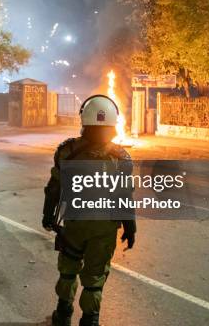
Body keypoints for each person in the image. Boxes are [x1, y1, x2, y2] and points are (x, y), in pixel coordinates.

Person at [42, 95, 137, 326]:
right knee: (94, 277)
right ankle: (90, 320)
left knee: (68, 269)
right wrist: (130, 226)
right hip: (104, 226)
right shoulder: (121, 157)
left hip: (73, 223)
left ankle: (63, 314)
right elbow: (124, 196)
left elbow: (54, 187)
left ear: (84, 120)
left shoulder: (66, 151)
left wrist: (47, 214)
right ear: (113, 123)